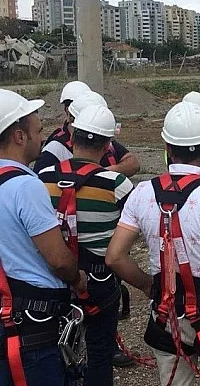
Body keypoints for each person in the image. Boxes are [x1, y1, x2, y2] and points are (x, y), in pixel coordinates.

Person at [105, 101, 200, 385]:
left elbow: (114, 257)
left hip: (167, 315)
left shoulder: (143, 193)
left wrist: (150, 286)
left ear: (166, 145)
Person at [38, 105, 133, 386]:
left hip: (54, 278)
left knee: (54, 348)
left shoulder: (42, 179)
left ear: (72, 137)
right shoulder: (117, 184)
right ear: (107, 145)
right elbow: (132, 231)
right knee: (100, 351)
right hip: (100, 282)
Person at [0, 89, 87, 385]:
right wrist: (77, 279)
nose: (43, 138)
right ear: (19, 137)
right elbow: (58, 260)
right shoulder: (25, 186)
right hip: (33, 327)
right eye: (37, 131)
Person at [34, 90, 140, 177]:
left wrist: (104, 173)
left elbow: (133, 163)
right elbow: (39, 181)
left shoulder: (102, 140)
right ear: (71, 119)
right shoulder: (55, 148)